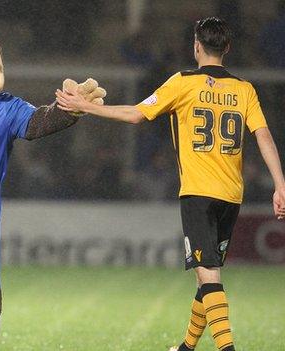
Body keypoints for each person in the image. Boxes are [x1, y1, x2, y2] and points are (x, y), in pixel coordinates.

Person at [56, 17, 285, 351]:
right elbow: (263, 136)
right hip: (232, 196)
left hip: (198, 193)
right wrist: (280, 184)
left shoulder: (183, 83)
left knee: (209, 275)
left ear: (196, 46)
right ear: (228, 49)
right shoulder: (244, 89)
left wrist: (86, 107)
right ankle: (186, 348)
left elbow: (136, 114)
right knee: (206, 275)